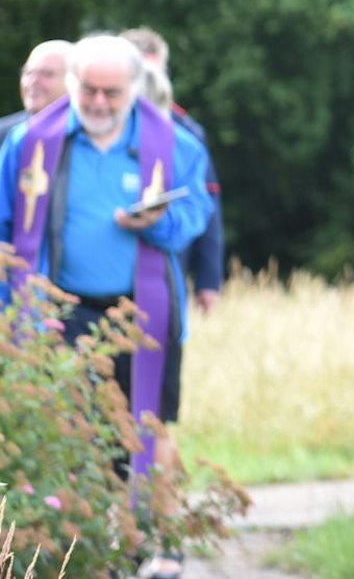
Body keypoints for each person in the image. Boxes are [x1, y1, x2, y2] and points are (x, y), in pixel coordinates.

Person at [0, 35, 214, 503]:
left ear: (136, 89)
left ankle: (142, 544)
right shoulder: (30, 141)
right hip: (57, 314)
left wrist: (156, 223)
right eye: (87, 90)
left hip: (140, 316)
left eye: (111, 93)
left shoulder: (176, 146)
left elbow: (193, 222)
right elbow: (5, 227)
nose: (98, 102)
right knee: (63, 435)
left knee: (137, 436)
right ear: (71, 84)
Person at [123, 27, 226, 314]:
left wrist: (208, 278)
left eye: (157, 73)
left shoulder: (186, 135)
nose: (151, 83)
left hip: (166, 266)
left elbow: (206, 203)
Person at [4, 38, 72, 134]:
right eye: (28, 72)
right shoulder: (6, 136)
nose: (32, 81)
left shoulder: (94, 137)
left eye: (47, 74)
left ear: (74, 81)